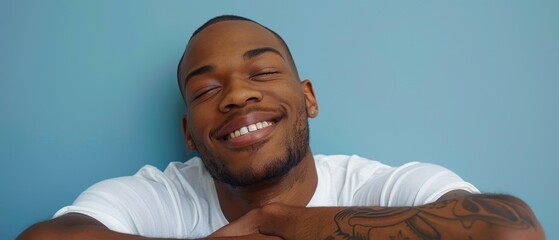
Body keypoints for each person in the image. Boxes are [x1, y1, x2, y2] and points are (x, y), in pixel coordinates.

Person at [18, 15, 544, 240]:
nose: (238, 95)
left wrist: (284, 222)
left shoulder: (375, 186)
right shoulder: (162, 198)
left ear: (308, 97)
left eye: (263, 72)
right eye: (205, 90)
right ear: (187, 132)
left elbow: (510, 231)